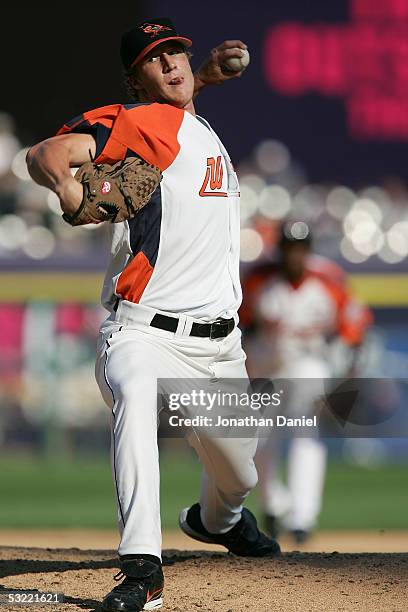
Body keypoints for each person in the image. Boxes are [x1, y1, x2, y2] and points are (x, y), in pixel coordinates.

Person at [26, 17, 280, 612]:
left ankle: (218, 521)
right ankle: (143, 568)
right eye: (153, 59)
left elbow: (178, 108)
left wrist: (208, 78)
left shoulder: (191, 123)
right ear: (134, 79)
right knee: (137, 395)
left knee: (240, 476)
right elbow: (46, 154)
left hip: (220, 348)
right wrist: (66, 187)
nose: (171, 64)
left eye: (176, 53)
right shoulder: (138, 121)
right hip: (146, 333)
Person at [241, 220, 372, 544]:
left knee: (305, 432)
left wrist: (343, 382)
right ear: (280, 250)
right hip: (265, 369)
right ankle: (275, 503)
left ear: (309, 251)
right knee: (258, 441)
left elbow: (355, 329)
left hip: (308, 366)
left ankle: (303, 516)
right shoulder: (259, 279)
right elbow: (240, 326)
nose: (294, 256)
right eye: (288, 249)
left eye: (300, 249)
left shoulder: (328, 279)